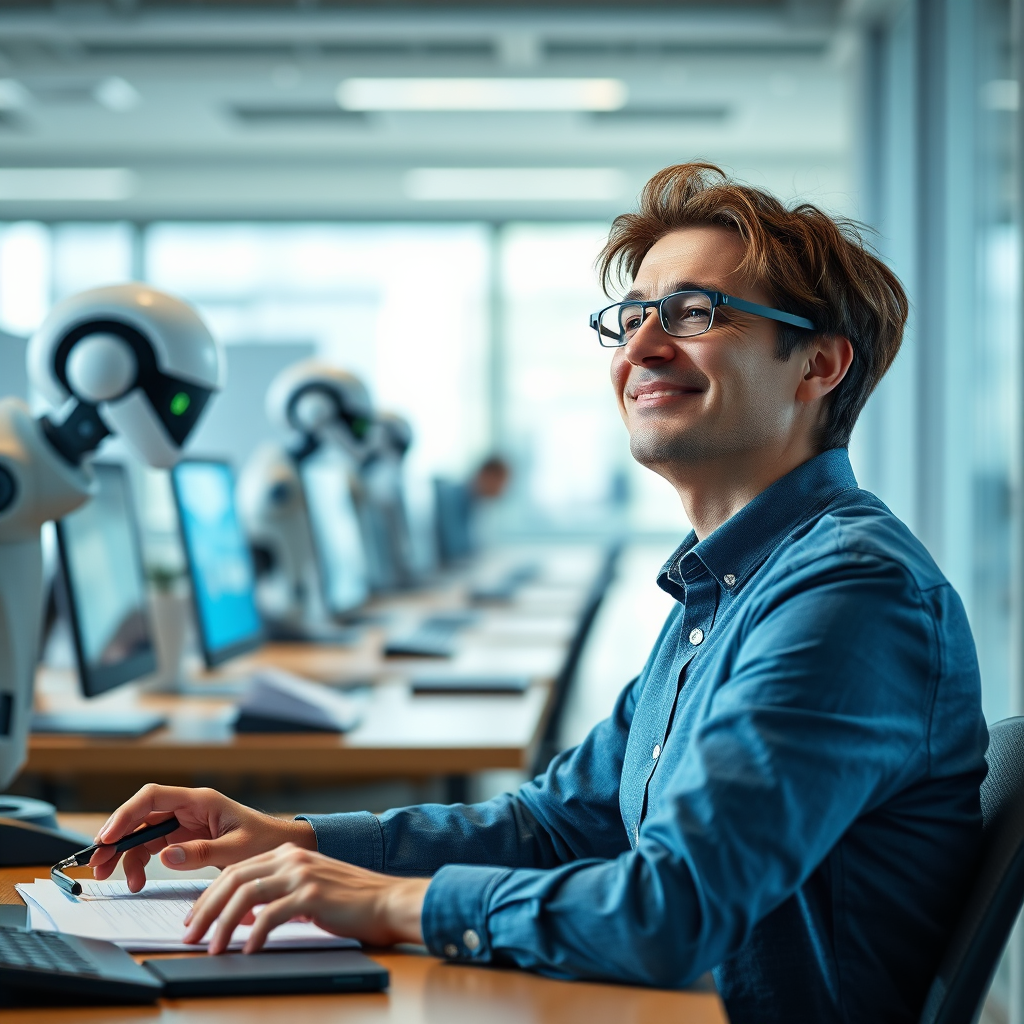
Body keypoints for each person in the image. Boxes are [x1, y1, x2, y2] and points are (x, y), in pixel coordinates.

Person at [92, 163, 987, 1024]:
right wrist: (296, 840)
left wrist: (394, 902)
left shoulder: (849, 593)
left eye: (693, 313)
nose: (640, 346)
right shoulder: (727, 585)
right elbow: (560, 825)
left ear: (820, 365)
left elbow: (671, 913)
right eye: (631, 316)